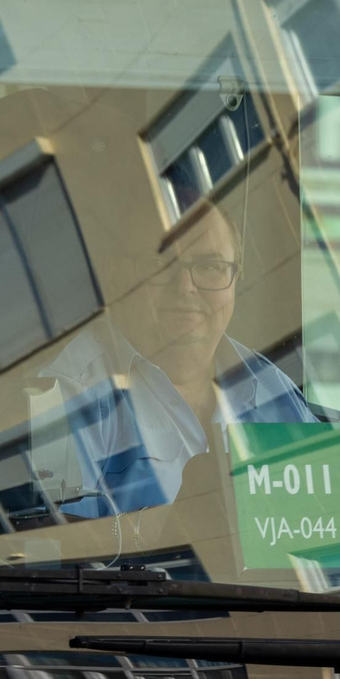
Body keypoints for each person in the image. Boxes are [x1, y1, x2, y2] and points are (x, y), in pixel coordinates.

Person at [38, 198, 315, 519]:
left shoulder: (272, 388)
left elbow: (330, 518)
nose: (185, 287)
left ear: (237, 278)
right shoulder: (61, 395)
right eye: (161, 264)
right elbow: (61, 544)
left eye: (210, 267)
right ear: (117, 276)